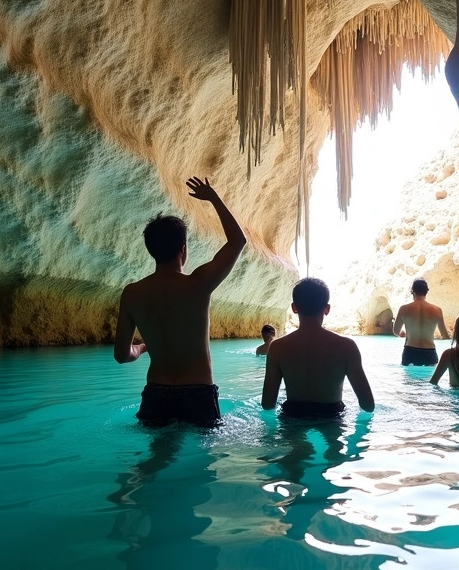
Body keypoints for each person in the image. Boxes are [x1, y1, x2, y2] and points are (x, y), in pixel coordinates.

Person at [114, 176, 247, 427]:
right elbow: (238, 241)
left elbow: (122, 355)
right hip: (198, 393)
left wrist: (141, 347)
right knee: (199, 464)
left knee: (156, 458)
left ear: (151, 250)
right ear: (183, 249)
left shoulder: (132, 293)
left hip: (156, 393)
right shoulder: (198, 284)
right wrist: (214, 199)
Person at [262, 278, 374, 419]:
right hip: (332, 418)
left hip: (292, 417)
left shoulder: (277, 347)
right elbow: (368, 405)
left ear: (294, 307)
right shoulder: (347, 346)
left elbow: (267, 404)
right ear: (327, 309)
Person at [392, 278, 449, 365]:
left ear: (412, 291)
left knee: (408, 379)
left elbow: (396, 331)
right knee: (428, 378)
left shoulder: (404, 309)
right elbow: (444, 335)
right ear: (427, 291)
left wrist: (401, 334)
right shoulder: (437, 310)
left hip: (410, 351)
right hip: (429, 352)